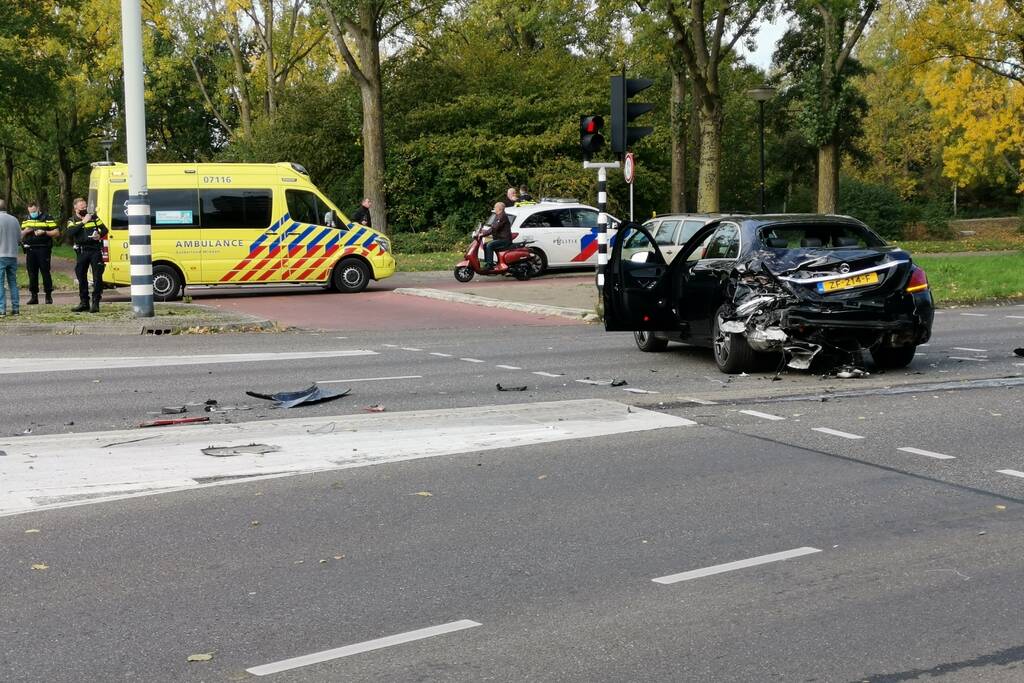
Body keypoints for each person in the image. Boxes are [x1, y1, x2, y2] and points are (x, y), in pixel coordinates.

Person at [66, 197, 108, 313]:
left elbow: (105, 230)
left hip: (95, 250)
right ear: (75, 208)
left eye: (85, 207)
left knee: (97, 276)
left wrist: (99, 235)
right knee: (81, 276)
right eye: (82, 207)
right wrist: (83, 222)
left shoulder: (93, 217)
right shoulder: (72, 220)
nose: (84, 209)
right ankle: (84, 302)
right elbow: (70, 232)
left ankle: (95, 302)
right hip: (82, 251)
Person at [20, 202, 59, 305]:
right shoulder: (26, 219)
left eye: (34, 211)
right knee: (32, 273)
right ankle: (34, 296)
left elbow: (56, 232)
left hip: (43, 249)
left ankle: (48, 296)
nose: (32, 213)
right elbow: (21, 235)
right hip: (30, 249)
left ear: (38, 208)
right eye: (30, 212)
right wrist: (25, 231)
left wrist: (45, 232)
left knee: (45, 272)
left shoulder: (47, 217)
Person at [0, 199, 21, 316]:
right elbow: (19, 238)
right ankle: (16, 308)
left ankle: (1, 309)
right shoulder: (14, 220)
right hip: (12, 255)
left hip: (0, 255)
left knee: (0, 283)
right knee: (13, 282)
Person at [481, 202, 512, 270]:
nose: (494, 208)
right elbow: (493, 227)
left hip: (504, 240)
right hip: (499, 239)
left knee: (490, 245)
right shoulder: (498, 216)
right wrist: (483, 232)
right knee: (485, 245)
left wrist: (483, 234)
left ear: (499, 208)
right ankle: (488, 263)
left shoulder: (502, 216)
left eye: (495, 207)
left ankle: (490, 265)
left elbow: (495, 228)